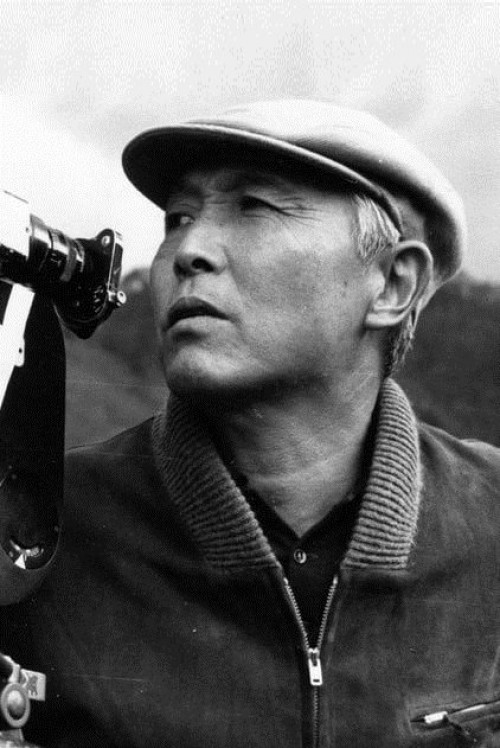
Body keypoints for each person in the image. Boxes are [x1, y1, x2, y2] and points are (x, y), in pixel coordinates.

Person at [4, 99, 500, 747]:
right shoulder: (34, 532)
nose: (188, 251)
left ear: (392, 284)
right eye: (178, 218)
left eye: (254, 207)